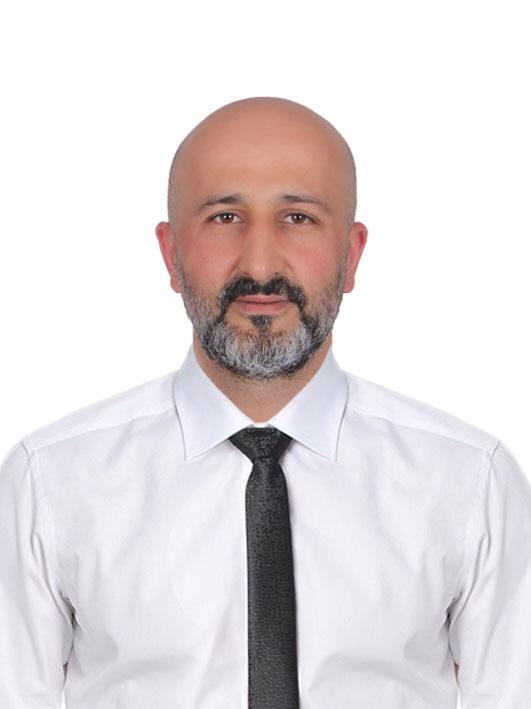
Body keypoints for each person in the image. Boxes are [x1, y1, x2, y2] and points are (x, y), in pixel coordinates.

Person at [1, 96, 530, 709]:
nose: (259, 264)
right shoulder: (50, 483)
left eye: (298, 218)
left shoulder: (470, 483)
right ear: (171, 254)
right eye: (224, 217)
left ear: (352, 254)